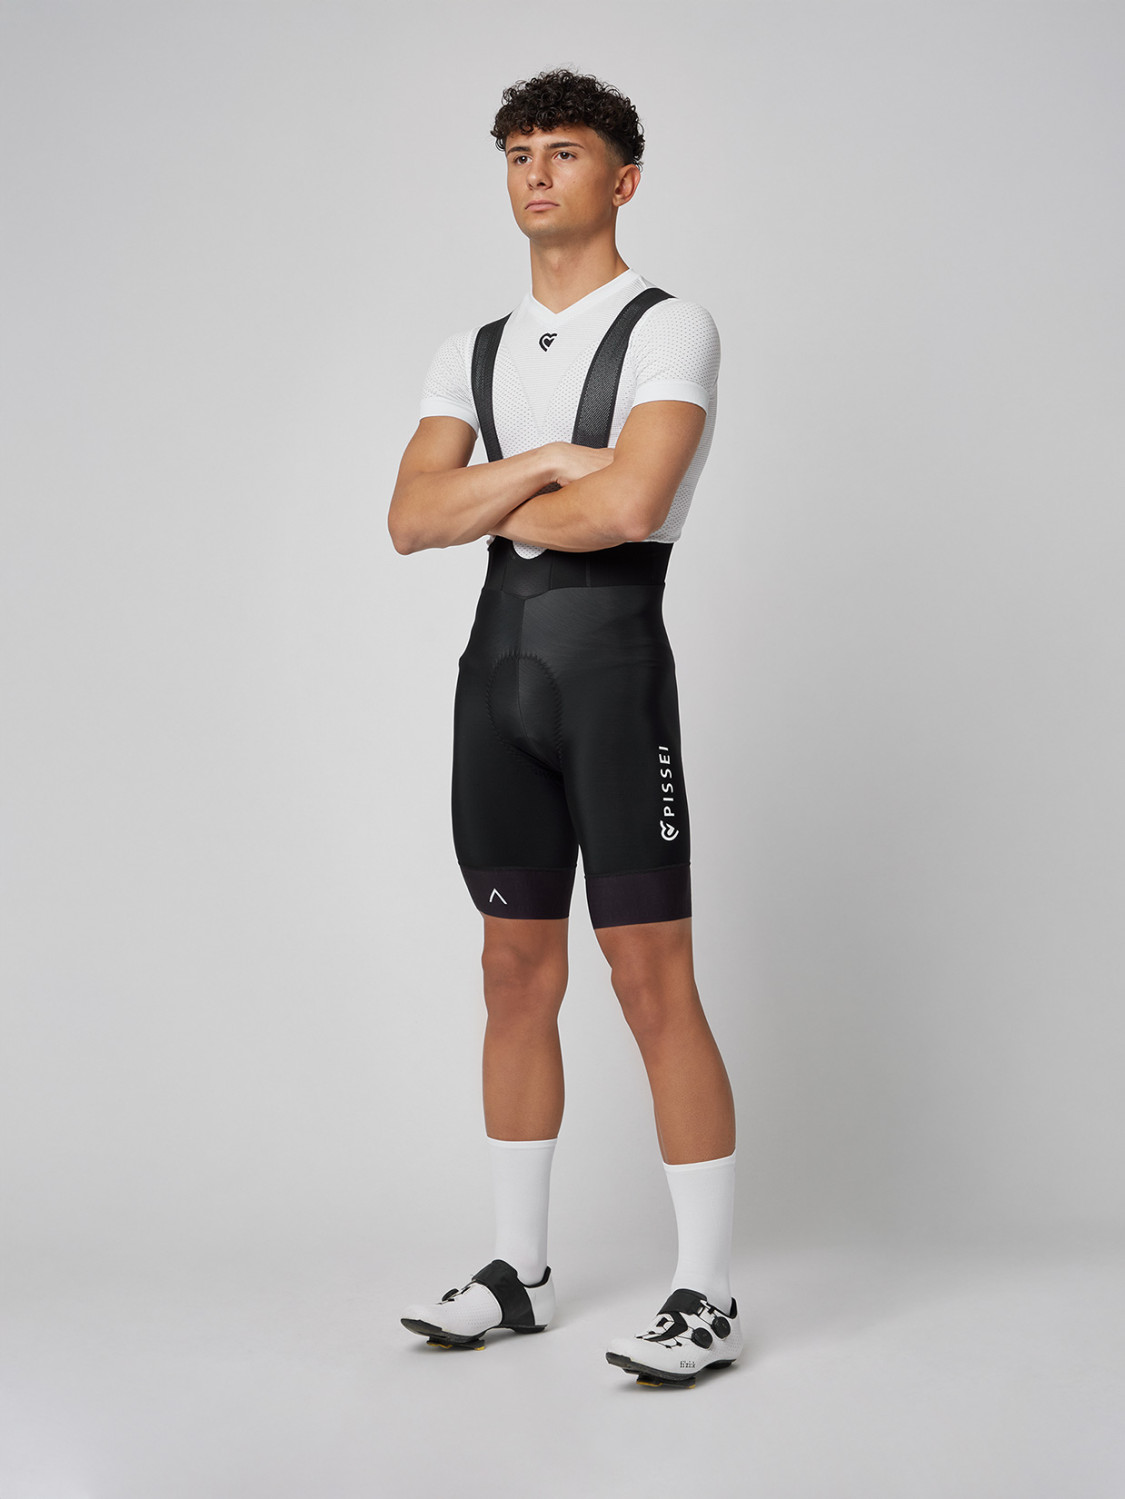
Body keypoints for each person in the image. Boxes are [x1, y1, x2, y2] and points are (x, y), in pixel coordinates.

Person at [389, 67, 740, 1388]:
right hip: (496, 684)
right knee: (510, 972)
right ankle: (516, 1270)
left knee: (652, 981)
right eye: (519, 153)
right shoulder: (468, 352)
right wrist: (546, 462)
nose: (537, 173)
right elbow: (410, 519)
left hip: (611, 681)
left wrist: (492, 491)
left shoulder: (668, 327)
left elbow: (631, 507)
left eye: (566, 151)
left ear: (622, 178)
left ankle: (706, 1290)